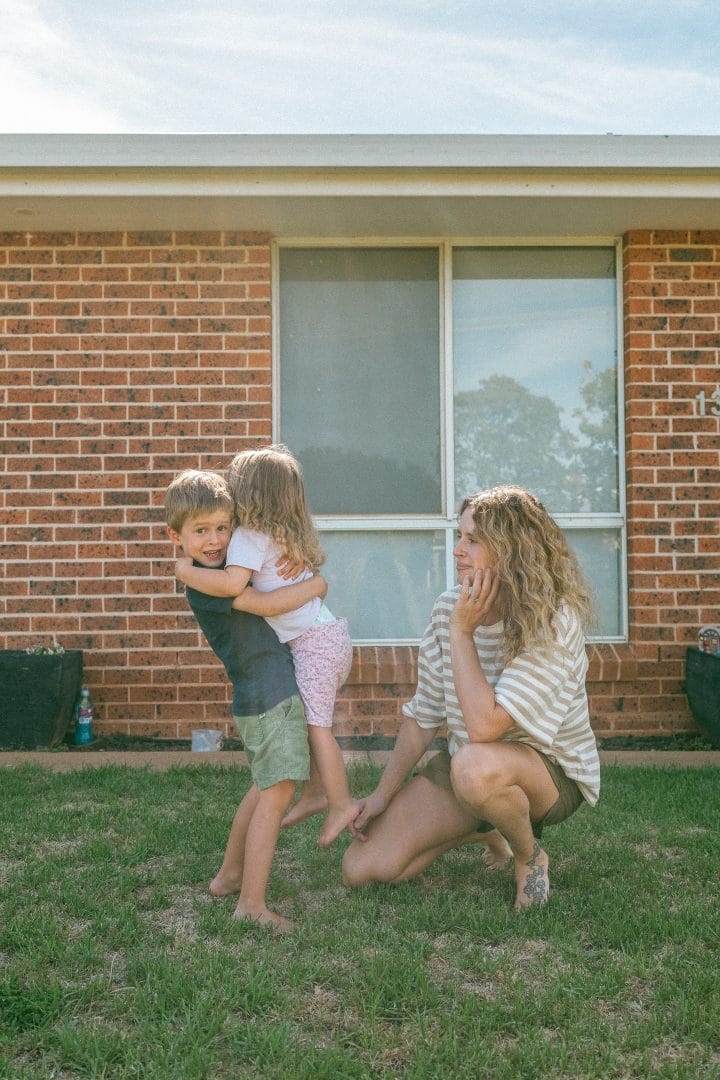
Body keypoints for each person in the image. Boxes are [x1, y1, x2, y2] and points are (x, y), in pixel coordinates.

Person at [343, 484, 600, 910]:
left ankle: (528, 854)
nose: (457, 550)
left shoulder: (552, 621)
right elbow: (424, 715)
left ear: (513, 551)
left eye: (473, 540)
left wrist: (464, 632)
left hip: (549, 773)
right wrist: (382, 795)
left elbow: (484, 727)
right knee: (364, 868)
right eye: (460, 536)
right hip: (470, 769)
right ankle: (486, 823)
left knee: (475, 767)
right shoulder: (449, 608)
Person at [165, 468, 328, 932]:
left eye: (223, 527)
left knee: (264, 786)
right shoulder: (207, 579)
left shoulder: (219, 565)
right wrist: (318, 585)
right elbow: (265, 604)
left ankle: (229, 877)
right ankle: (252, 905)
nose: (215, 540)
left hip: (260, 690)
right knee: (277, 793)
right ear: (176, 536)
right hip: (266, 691)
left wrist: (289, 556)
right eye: (201, 531)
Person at [174, 444, 357, 847]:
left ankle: (339, 801)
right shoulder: (278, 535)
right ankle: (314, 794)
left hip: (315, 644)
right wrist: (319, 584)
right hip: (325, 639)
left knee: (316, 728)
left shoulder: (248, 540)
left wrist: (184, 571)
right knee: (313, 726)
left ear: (247, 494)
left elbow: (238, 588)